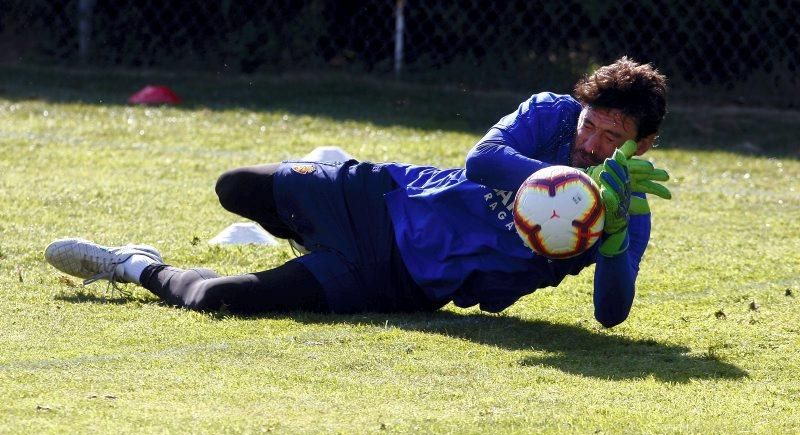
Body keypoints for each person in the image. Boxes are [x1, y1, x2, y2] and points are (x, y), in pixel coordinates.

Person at [45, 56, 672, 328]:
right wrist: (548, 181)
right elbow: (481, 160)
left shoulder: (628, 209)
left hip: (396, 279)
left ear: (640, 147)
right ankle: (318, 194)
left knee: (214, 298)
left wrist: (611, 232)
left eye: (611, 137)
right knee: (234, 187)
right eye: (591, 124)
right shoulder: (554, 114)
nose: (591, 142)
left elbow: (611, 313)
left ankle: (134, 263)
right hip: (380, 198)